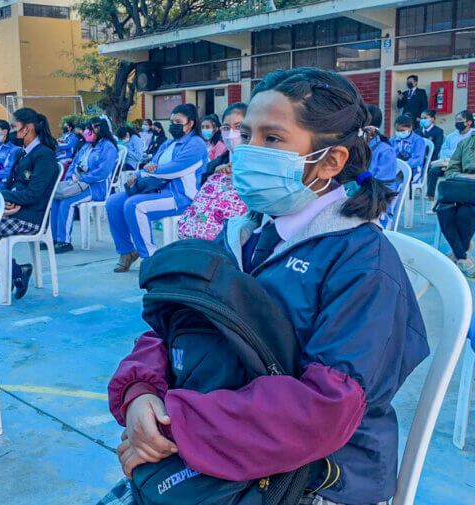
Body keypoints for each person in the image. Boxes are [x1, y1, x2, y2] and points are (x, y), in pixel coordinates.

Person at [102, 67, 428, 505]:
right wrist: (142, 392)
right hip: (216, 445)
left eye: (272, 139)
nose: (246, 152)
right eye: (245, 133)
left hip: (318, 476)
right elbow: (175, 324)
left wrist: (174, 425)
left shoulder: (362, 263)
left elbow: (325, 408)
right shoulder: (241, 235)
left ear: (330, 161)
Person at [107, 104, 207, 272]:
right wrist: (148, 169)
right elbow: (153, 164)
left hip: (180, 196)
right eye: (171, 121)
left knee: (134, 205)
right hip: (157, 190)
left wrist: (140, 174)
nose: (173, 125)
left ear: (190, 124)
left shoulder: (196, 144)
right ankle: (127, 252)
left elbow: (175, 169)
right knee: (113, 202)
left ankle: (150, 258)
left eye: (178, 121)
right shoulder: (169, 143)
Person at [0, 107, 59, 299]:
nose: (10, 131)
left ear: (27, 129)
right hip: (14, 210)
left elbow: (34, 194)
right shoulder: (20, 154)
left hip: (32, 216)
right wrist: (6, 200)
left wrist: (8, 198)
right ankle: (17, 272)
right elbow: (9, 185)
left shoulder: (44, 155)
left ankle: (15, 273)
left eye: (14, 126)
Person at [51, 118, 119, 254]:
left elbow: (102, 172)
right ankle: (54, 239)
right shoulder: (87, 146)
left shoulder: (108, 147)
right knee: (56, 198)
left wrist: (83, 179)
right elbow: (74, 162)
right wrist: (71, 177)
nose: (87, 131)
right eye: (88, 128)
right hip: (79, 183)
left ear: (100, 129)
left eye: (91, 128)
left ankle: (64, 241)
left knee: (67, 202)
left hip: (96, 188)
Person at [436, 132, 475, 274]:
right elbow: (451, 171)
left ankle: (456, 254)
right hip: (462, 189)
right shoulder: (465, 144)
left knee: (466, 212)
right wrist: (466, 176)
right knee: (444, 210)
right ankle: (462, 255)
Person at [430, 111, 475, 204]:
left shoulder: (472, 137)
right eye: (456, 120)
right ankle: (431, 201)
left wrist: (457, 155)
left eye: (460, 120)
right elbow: (443, 150)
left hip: (466, 165)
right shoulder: (451, 136)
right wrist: (450, 158)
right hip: (449, 163)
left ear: (469, 122)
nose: (457, 122)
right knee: (433, 171)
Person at [203, 103, 247, 183]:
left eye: (238, 127)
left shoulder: (261, 166)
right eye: (226, 128)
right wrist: (216, 175)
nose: (231, 135)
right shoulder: (215, 165)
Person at [391, 114, 426, 182]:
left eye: (402, 130)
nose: (399, 133)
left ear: (410, 128)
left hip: (413, 169)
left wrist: (403, 166)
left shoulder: (418, 141)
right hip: (396, 168)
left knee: (397, 183)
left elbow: (418, 160)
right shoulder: (393, 140)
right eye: (397, 130)